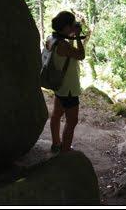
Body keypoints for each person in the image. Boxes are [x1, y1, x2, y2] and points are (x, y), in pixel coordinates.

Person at [47, 11, 89, 153]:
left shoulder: (51, 39)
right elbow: (80, 55)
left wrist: (70, 36)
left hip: (59, 86)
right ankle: (65, 151)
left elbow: (65, 54)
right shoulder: (63, 45)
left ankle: (55, 144)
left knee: (56, 114)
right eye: (71, 25)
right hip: (69, 88)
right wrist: (77, 37)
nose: (73, 26)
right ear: (65, 27)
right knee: (72, 121)